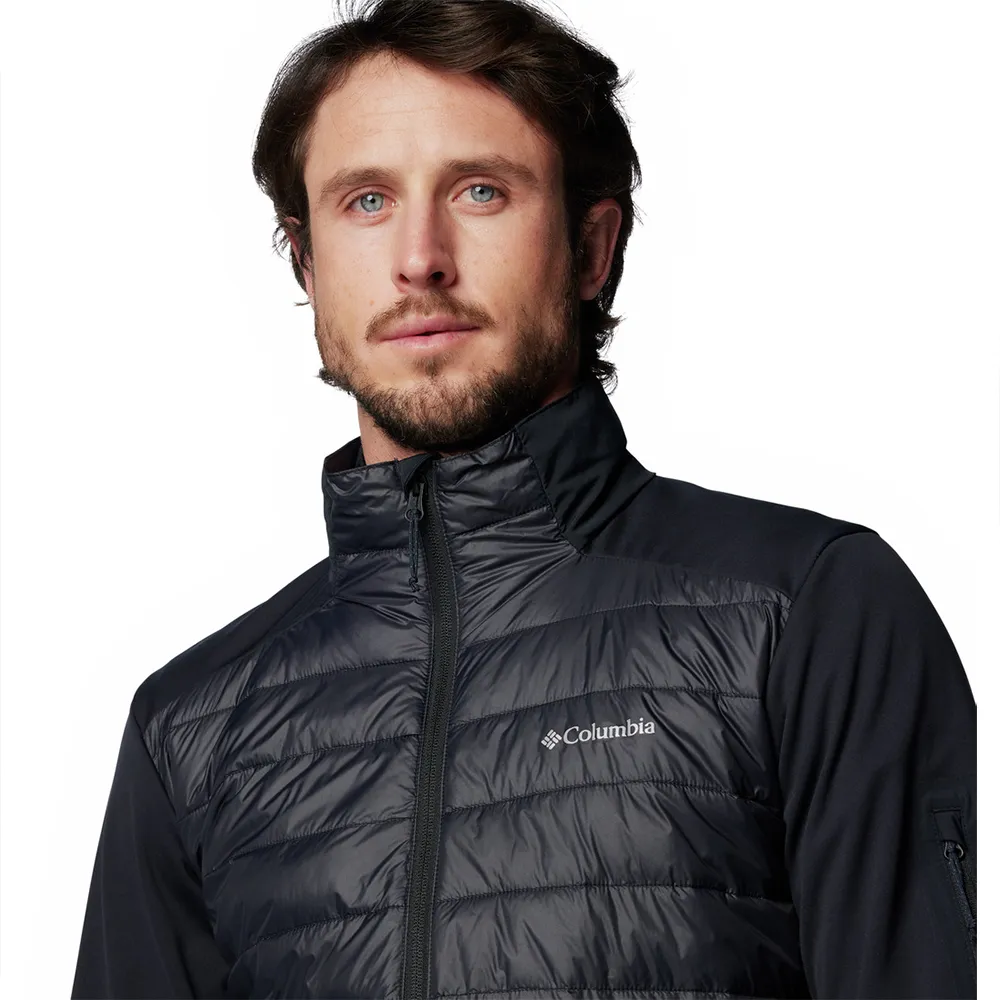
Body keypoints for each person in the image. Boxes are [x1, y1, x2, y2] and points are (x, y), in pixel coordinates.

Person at [70, 0, 977, 997]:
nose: (420, 257)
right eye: (365, 201)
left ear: (590, 249)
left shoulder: (803, 611)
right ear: (306, 262)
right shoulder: (192, 725)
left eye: (481, 191)